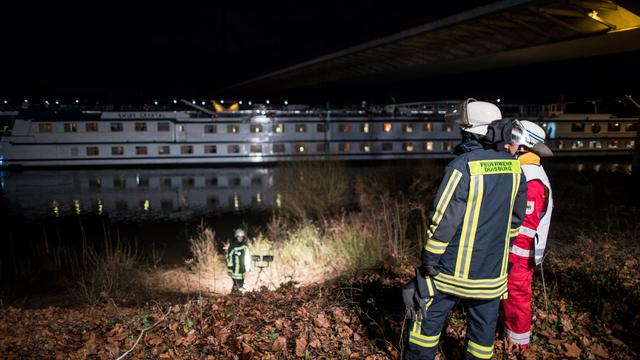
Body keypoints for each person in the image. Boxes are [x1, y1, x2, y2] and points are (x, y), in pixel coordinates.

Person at [405, 98, 528, 360]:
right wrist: (503, 258)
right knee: (482, 338)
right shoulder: (516, 168)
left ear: (468, 130)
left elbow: (443, 220)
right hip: (492, 275)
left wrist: (429, 259)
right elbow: (515, 223)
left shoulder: (462, 166)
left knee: (426, 325)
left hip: (450, 274)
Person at [502, 120, 554, 351]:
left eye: (512, 139)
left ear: (525, 144)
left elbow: (525, 228)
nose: (507, 143)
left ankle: (518, 345)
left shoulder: (531, 178)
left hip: (521, 254)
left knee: (517, 296)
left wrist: (510, 258)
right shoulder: (523, 170)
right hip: (516, 252)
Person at [226, 228, 251, 293]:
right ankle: (235, 297)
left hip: (242, 270)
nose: (240, 238)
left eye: (242, 237)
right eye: (238, 237)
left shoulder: (245, 246)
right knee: (237, 285)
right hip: (234, 270)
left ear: (243, 237)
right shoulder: (232, 246)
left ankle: (235, 296)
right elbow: (228, 257)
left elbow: (247, 258)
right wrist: (230, 268)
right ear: (236, 237)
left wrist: (248, 268)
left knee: (239, 285)